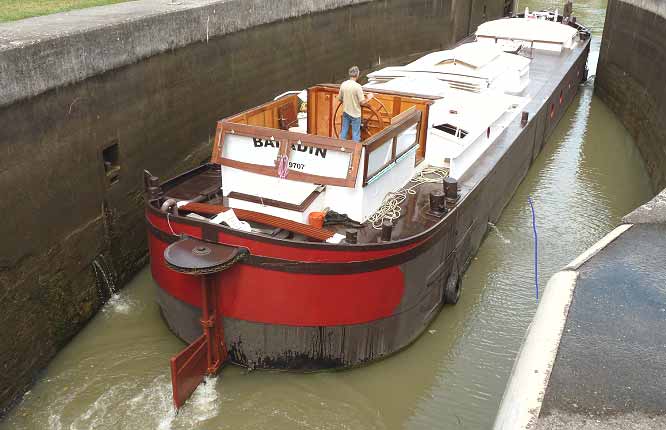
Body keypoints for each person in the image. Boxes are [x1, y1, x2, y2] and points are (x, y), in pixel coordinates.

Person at [338, 66, 374, 142]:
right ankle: (355, 150)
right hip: (355, 115)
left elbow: (340, 99)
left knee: (344, 131)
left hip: (346, 112)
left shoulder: (343, 84)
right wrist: (369, 97)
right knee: (356, 134)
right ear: (357, 74)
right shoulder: (358, 87)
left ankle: (340, 146)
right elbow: (362, 102)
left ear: (349, 74)